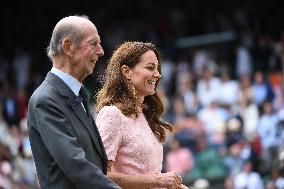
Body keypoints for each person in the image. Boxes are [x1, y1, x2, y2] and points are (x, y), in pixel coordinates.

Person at [27, 15, 121, 189]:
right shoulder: (45, 100)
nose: (101, 51)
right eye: (93, 43)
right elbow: (76, 166)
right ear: (68, 47)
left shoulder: (78, 94)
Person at [96, 41, 189, 189]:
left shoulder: (144, 115)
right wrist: (157, 181)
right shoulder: (112, 114)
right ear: (126, 71)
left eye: (157, 69)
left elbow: (145, 175)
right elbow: (98, 174)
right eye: (150, 68)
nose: (157, 74)